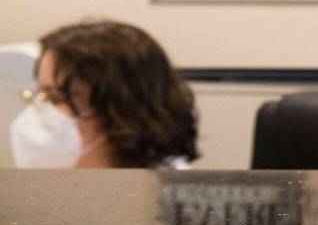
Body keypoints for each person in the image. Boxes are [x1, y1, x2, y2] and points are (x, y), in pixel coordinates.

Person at [9, 20, 199, 168]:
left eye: (58, 98)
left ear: (123, 110)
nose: (40, 113)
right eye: (41, 96)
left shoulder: (171, 206)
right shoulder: (53, 194)